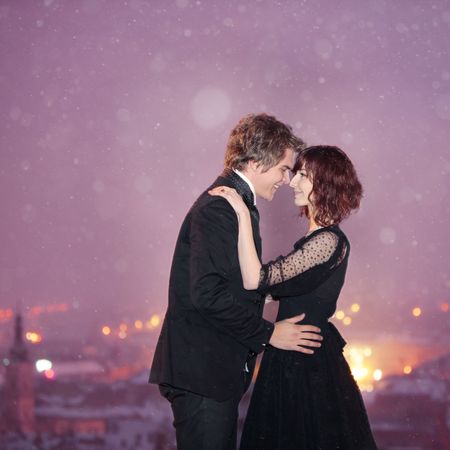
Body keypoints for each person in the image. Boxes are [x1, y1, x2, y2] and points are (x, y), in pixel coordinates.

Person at [149, 114, 324, 450]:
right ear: (257, 163)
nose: (286, 180)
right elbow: (207, 295)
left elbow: (234, 285)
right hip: (202, 375)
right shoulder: (220, 207)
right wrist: (271, 334)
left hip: (208, 374)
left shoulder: (235, 204)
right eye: (284, 169)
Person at [209, 145, 378, 449]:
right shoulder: (318, 241)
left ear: (324, 185)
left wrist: (242, 213)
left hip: (304, 364)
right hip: (293, 357)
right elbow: (266, 290)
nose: (292, 181)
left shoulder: (327, 240)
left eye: (303, 175)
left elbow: (256, 280)